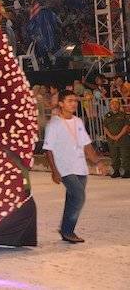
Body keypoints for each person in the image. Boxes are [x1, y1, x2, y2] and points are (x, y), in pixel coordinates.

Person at [44, 90, 107, 243]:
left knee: (73, 198)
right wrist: (54, 171)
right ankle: (68, 231)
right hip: (64, 167)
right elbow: (48, 149)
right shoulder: (54, 124)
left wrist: (97, 161)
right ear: (61, 103)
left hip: (80, 167)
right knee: (79, 196)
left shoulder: (78, 121)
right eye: (70, 100)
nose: (74, 103)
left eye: (75, 101)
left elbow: (87, 145)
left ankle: (65, 230)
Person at [103, 99, 130, 178]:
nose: (114, 105)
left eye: (116, 104)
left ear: (119, 105)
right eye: (112, 104)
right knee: (114, 156)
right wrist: (111, 136)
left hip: (123, 139)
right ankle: (116, 171)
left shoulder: (123, 115)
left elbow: (126, 126)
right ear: (110, 106)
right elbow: (105, 127)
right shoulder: (107, 116)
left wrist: (118, 136)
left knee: (125, 155)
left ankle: (127, 171)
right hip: (112, 140)